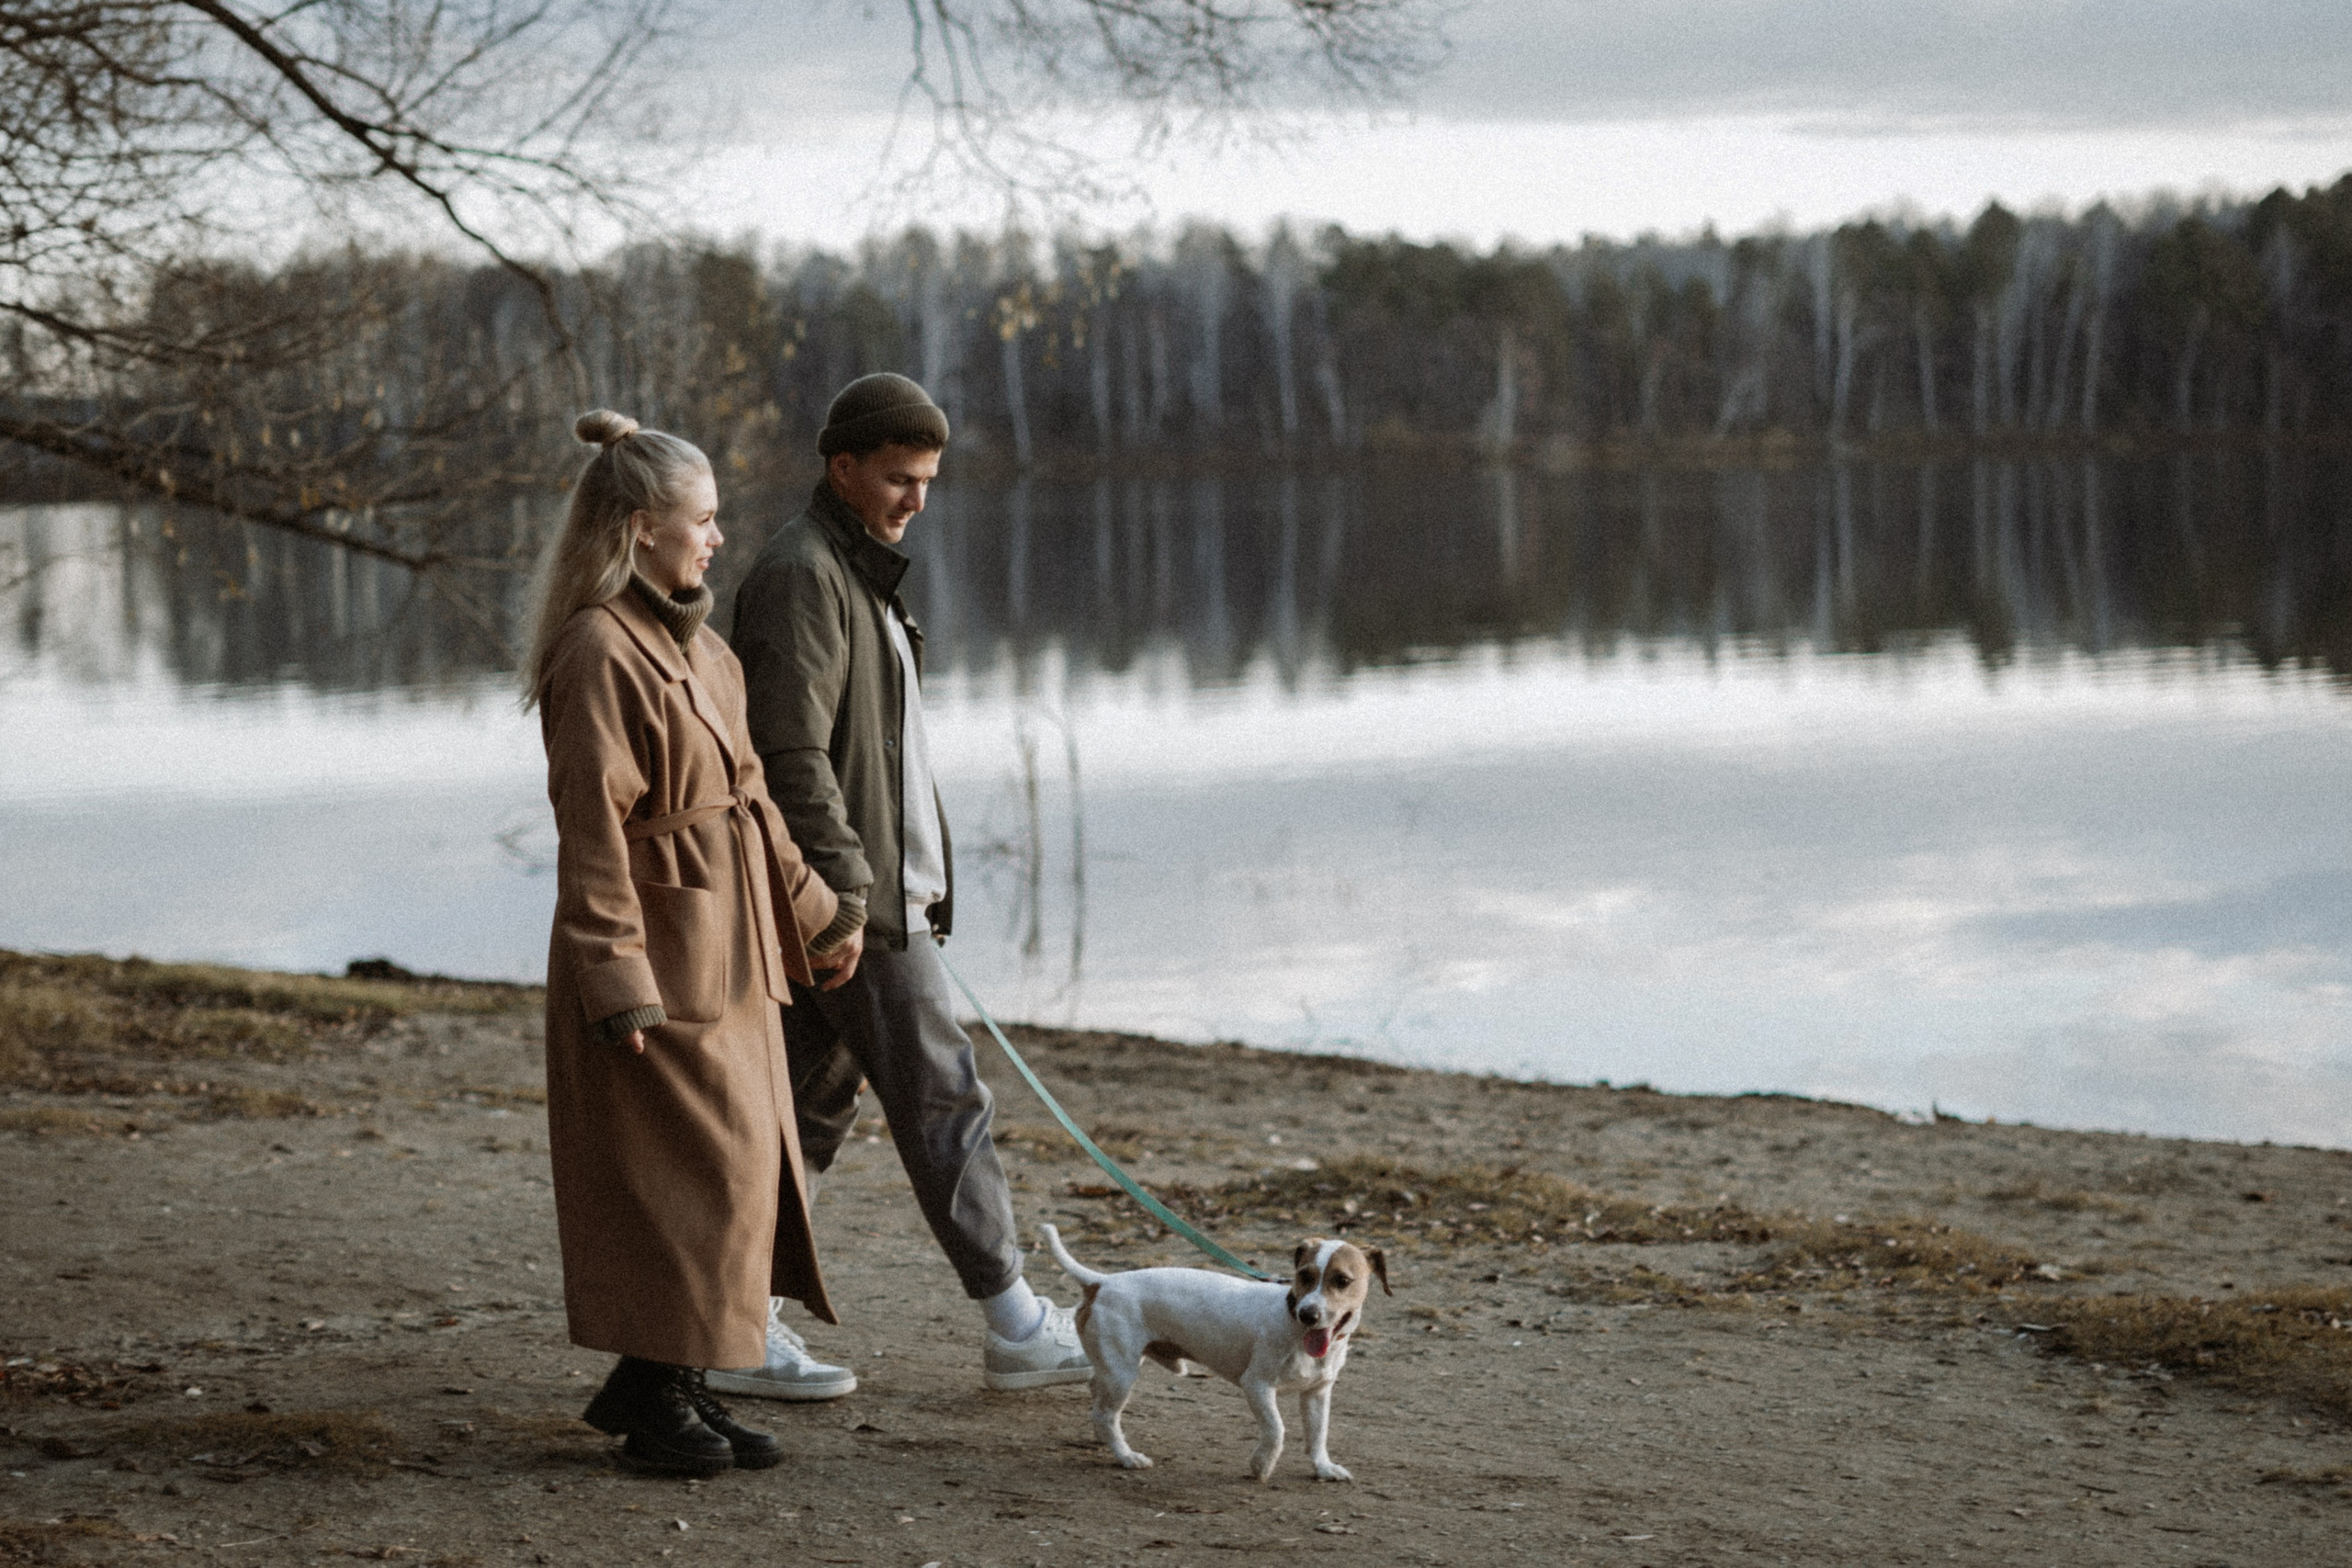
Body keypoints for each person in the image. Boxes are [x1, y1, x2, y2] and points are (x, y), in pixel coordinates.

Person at [718, 373, 1091, 1398]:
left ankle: (735, 1324)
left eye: (926, 480)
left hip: (875, 905)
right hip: (856, 914)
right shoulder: (802, 577)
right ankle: (1015, 1325)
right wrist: (843, 900)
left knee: (797, 1117)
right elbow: (787, 757)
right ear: (842, 468)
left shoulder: (856, 574)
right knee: (944, 1101)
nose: (916, 499)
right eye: (897, 479)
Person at [523, 409, 861, 1473]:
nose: (717, 539)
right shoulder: (595, 650)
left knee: (747, 1169)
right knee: (690, 1179)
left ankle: (665, 1386)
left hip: (741, 951)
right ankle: (656, 1391)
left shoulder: (706, 651)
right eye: (700, 521)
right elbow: (592, 828)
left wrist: (820, 916)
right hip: (660, 959)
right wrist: (614, 976)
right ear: (636, 527)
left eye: (717, 520)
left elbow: (753, 803)